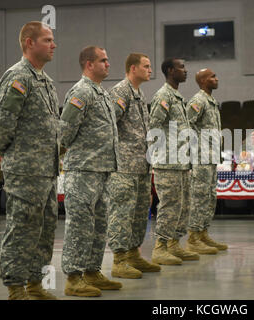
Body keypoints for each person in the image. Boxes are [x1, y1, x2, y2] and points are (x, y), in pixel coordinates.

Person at [0, 21, 59, 300]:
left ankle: (35, 283)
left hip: (46, 171)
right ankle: (15, 286)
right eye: (47, 40)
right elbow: (4, 124)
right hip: (25, 171)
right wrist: (11, 155)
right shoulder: (17, 77)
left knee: (45, 231)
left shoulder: (45, 81)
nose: (53, 45)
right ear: (29, 43)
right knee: (21, 228)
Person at [60, 46, 122, 297]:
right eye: (103, 60)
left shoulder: (102, 93)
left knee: (99, 225)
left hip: (102, 170)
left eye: (107, 60)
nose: (108, 64)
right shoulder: (82, 91)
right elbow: (65, 132)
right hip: (83, 170)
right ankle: (73, 278)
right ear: (88, 64)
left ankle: (92, 271)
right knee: (80, 225)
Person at [107, 53, 161, 278]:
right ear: (132, 68)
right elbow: (110, 124)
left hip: (141, 165)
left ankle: (133, 254)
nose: (150, 70)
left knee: (140, 212)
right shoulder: (121, 91)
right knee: (123, 212)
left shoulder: (138, 93)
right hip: (125, 167)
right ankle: (119, 260)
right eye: (146, 66)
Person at [149, 58, 199, 265]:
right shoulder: (163, 95)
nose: (186, 71)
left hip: (181, 162)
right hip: (168, 163)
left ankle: (174, 244)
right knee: (169, 205)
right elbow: (154, 127)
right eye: (181, 67)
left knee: (183, 206)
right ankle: (160, 247)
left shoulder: (177, 97)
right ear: (170, 71)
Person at [185, 68, 226, 255]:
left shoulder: (211, 101)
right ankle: (193, 237)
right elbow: (186, 128)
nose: (216, 79)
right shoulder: (198, 101)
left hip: (211, 158)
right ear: (202, 80)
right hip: (200, 158)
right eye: (212, 76)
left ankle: (203, 233)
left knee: (209, 197)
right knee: (199, 197)